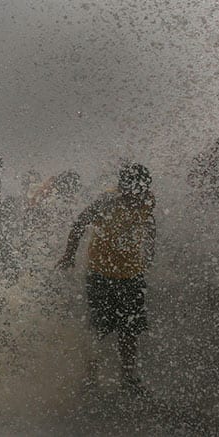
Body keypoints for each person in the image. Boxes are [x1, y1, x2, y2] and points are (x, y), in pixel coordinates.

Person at [56, 163, 156, 394]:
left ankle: (128, 379)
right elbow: (80, 223)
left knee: (130, 330)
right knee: (98, 328)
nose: (137, 197)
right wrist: (69, 255)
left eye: (142, 190)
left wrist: (151, 250)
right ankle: (91, 378)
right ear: (124, 188)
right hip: (101, 274)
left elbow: (150, 224)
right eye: (133, 191)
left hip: (131, 274)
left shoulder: (147, 200)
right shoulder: (107, 202)